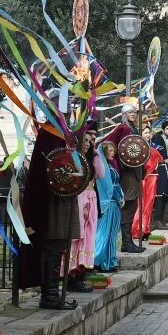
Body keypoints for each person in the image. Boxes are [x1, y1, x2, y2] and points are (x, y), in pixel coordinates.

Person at [17, 114, 79, 310]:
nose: (69, 116)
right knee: (54, 245)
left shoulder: (62, 134)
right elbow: (54, 167)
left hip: (64, 197)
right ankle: (50, 295)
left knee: (59, 245)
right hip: (53, 200)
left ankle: (52, 293)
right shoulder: (51, 133)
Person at [101, 103, 144, 253]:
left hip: (135, 172)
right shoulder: (124, 128)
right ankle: (126, 242)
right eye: (130, 112)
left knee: (132, 207)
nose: (133, 114)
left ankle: (128, 241)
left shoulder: (133, 128)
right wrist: (122, 165)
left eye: (135, 112)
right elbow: (121, 149)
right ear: (124, 114)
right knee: (128, 206)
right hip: (128, 173)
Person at [67, 121, 104, 292]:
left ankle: (83, 270)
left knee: (89, 235)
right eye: (86, 140)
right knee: (78, 236)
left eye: (90, 141)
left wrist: (96, 154)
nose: (88, 143)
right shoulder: (73, 158)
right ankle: (73, 274)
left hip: (91, 196)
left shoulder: (90, 158)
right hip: (79, 197)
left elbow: (101, 174)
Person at [94, 141, 124, 272]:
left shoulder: (110, 167)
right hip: (108, 204)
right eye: (110, 150)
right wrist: (120, 197)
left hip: (114, 205)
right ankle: (98, 260)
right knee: (103, 233)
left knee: (112, 234)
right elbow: (110, 187)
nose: (113, 152)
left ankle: (109, 260)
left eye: (113, 150)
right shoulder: (104, 168)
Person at [133, 126, 163, 239]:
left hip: (152, 179)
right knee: (141, 204)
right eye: (145, 133)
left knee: (149, 204)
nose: (148, 135)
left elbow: (160, 160)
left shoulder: (153, 149)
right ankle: (137, 229)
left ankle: (145, 228)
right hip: (144, 179)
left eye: (149, 133)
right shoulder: (138, 149)